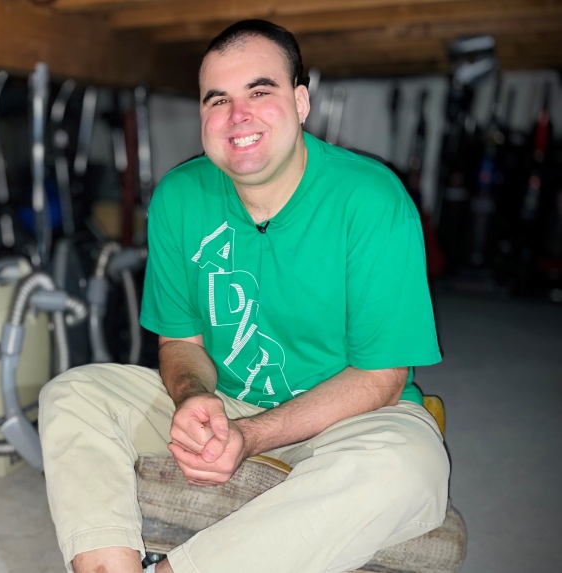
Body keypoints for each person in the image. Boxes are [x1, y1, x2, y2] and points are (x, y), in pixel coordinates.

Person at [38, 19, 449, 573]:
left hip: (349, 416)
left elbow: (380, 378)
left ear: (301, 101)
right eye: (218, 100)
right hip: (227, 402)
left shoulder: (371, 200)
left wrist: (250, 436)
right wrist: (191, 399)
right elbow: (180, 342)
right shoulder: (180, 198)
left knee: (408, 469)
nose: (239, 116)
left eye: (260, 91)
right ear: (203, 116)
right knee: (73, 394)